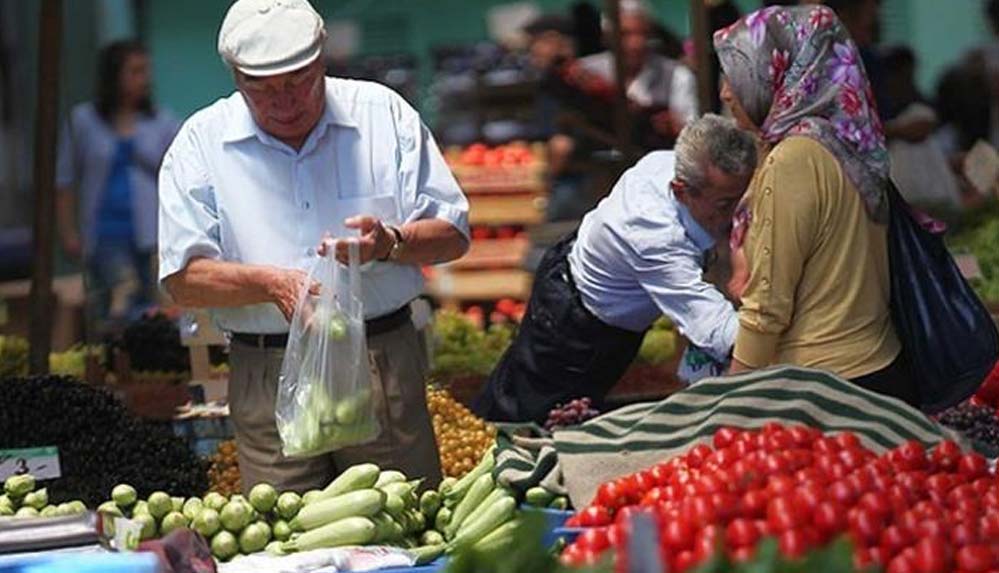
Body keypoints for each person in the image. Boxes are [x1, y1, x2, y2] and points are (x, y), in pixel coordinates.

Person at [157, 0, 469, 492]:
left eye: (298, 82)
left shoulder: (382, 116)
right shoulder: (201, 143)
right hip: (267, 371)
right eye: (261, 89)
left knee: (404, 523)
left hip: (380, 361)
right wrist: (271, 283)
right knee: (288, 540)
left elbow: (452, 232)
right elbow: (183, 280)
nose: (284, 102)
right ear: (236, 78)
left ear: (322, 60)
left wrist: (390, 243)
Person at [475, 114, 758, 423]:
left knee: (526, 386)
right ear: (680, 191)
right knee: (534, 415)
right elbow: (717, 331)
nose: (735, 214)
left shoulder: (669, 162)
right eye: (724, 205)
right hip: (577, 324)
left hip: (581, 277)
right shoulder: (654, 235)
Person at [715, 5, 919, 405]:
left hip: (824, 387)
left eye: (739, 72)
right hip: (877, 366)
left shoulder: (793, 159)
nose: (725, 91)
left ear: (782, 72)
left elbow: (767, 308)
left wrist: (727, 402)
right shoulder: (848, 142)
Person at [56, 40, 179, 340]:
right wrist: (68, 231)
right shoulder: (84, 121)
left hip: (152, 234)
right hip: (105, 232)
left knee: (159, 311)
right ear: (114, 76)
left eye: (145, 71)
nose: (143, 79)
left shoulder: (161, 121)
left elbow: (181, 171)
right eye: (135, 71)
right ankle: (116, 370)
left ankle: (155, 376)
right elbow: (65, 179)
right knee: (119, 306)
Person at [578, 0, 698, 144]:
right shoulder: (584, 71)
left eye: (643, 34)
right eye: (625, 34)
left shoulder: (677, 75)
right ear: (607, 36)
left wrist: (674, 126)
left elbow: (693, 135)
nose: (636, 43)